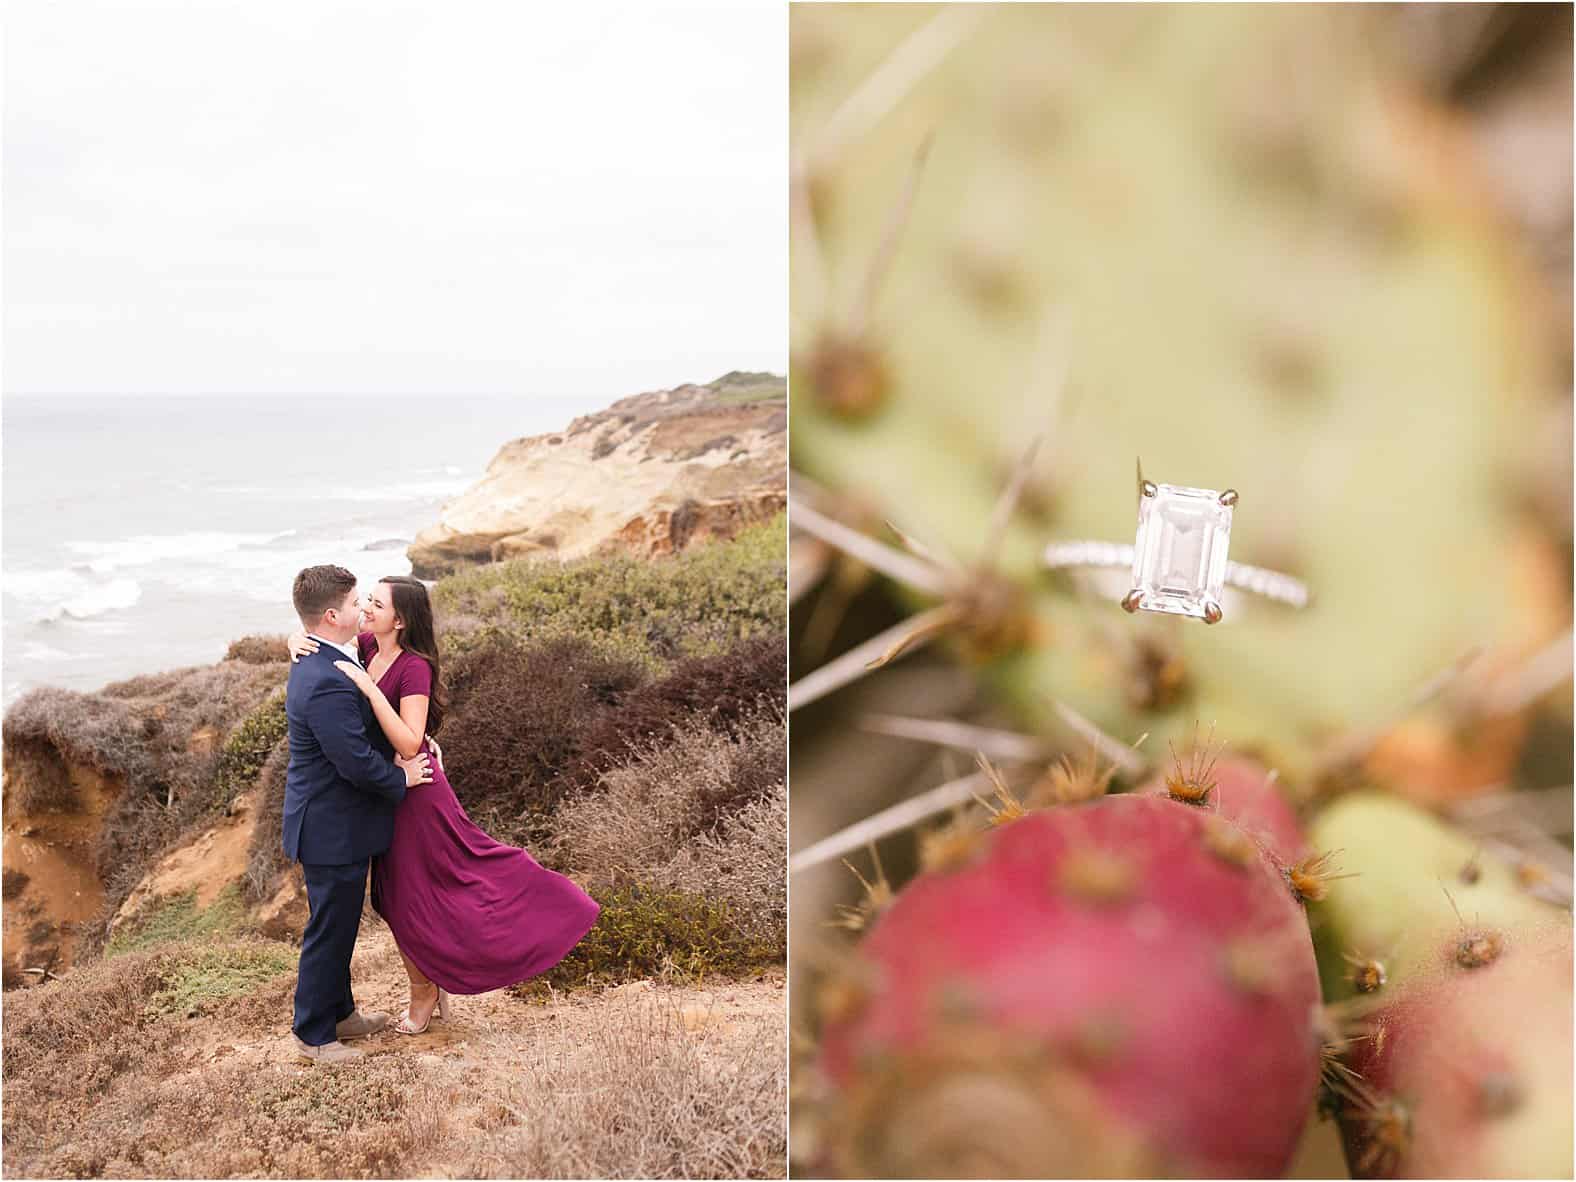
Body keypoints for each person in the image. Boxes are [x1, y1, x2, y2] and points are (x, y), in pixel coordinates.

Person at [288, 573, 600, 1034]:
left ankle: (551, 911)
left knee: (450, 878)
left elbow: (411, 742)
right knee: (394, 899)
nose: (367, 610)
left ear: (401, 619)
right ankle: (424, 989)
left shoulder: (414, 667)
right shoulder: (368, 649)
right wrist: (297, 638)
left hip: (415, 789)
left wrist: (373, 694)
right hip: (387, 792)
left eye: (376, 604)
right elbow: (322, 636)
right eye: (364, 602)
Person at [282, 564, 433, 1064]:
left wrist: (295, 637)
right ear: (331, 615)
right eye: (354, 605)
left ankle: (341, 1012)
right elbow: (352, 761)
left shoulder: (329, 655)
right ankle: (313, 1034)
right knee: (329, 930)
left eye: (369, 604)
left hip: (335, 822)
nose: (361, 611)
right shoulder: (325, 677)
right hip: (330, 825)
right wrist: (401, 779)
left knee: (341, 924)